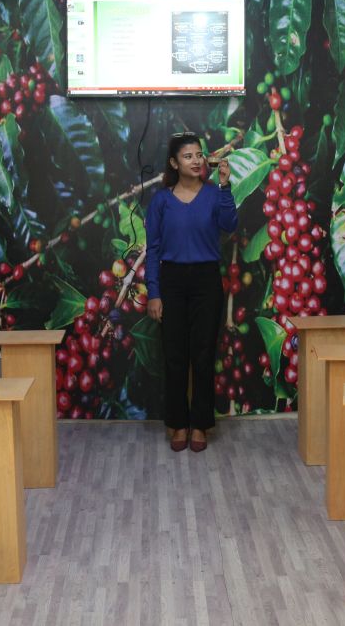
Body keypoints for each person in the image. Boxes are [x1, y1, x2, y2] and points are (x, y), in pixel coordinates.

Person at [145, 134, 237, 452]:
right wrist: (154, 292)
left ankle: (200, 424)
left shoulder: (213, 194)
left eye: (199, 155)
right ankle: (178, 424)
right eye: (188, 156)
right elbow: (153, 250)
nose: (196, 160)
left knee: (203, 355)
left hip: (206, 280)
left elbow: (230, 224)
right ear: (174, 163)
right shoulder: (161, 201)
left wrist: (225, 186)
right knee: (174, 357)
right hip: (171, 281)